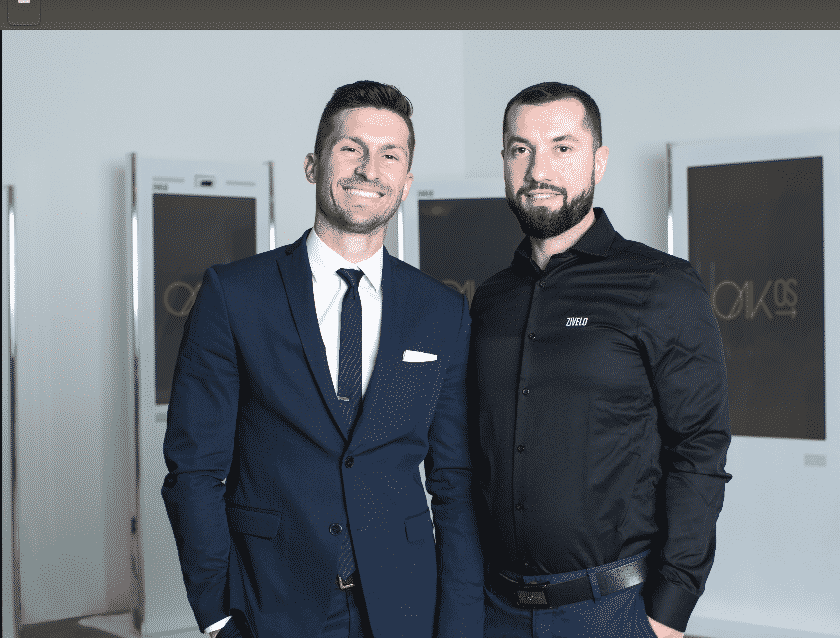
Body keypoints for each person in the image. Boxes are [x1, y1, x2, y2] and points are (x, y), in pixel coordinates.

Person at [162, 80, 483, 638]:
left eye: (390, 155)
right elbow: (194, 469)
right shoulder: (235, 295)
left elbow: (453, 481)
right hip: (272, 604)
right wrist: (216, 614)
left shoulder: (441, 311)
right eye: (350, 148)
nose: (369, 169)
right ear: (313, 165)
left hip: (406, 605)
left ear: (406, 182)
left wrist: (458, 624)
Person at [468, 82, 732, 638]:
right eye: (520, 149)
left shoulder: (662, 285)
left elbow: (700, 449)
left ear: (599, 160)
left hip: (613, 611)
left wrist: (669, 612)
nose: (538, 169)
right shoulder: (490, 300)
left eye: (562, 147)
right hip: (494, 609)